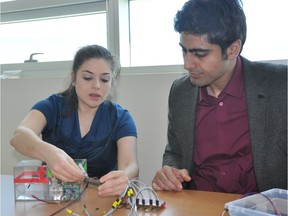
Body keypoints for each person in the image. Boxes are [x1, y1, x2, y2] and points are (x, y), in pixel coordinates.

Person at [152, 0, 287, 194]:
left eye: (200, 53)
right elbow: (175, 152)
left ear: (233, 49)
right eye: (184, 50)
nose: (187, 64)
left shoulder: (280, 85)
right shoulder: (180, 92)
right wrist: (170, 171)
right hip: (198, 207)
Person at [10, 44, 139, 197]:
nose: (96, 86)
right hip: (54, 201)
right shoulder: (52, 106)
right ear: (73, 77)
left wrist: (125, 177)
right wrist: (48, 152)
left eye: (104, 79)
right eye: (87, 77)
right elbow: (19, 137)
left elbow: (130, 165)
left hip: (100, 199)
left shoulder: (121, 117)